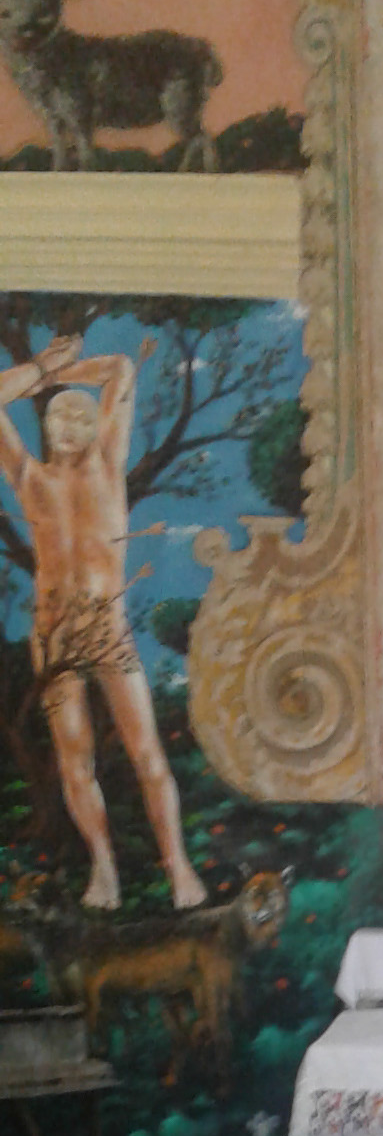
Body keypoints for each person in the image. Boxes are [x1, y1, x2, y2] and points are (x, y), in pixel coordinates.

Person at [0, 332, 205, 910]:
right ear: (44, 427)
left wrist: (58, 375)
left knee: (147, 754)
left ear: (97, 427)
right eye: (57, 416)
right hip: (54, 636)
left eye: (79, 416)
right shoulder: (28, 478)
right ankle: (104, 869)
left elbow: (119, 368)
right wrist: (39, 369)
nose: (67, 425)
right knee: (75, 759)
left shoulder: (109, 466)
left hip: (109, 633)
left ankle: (179, 867)